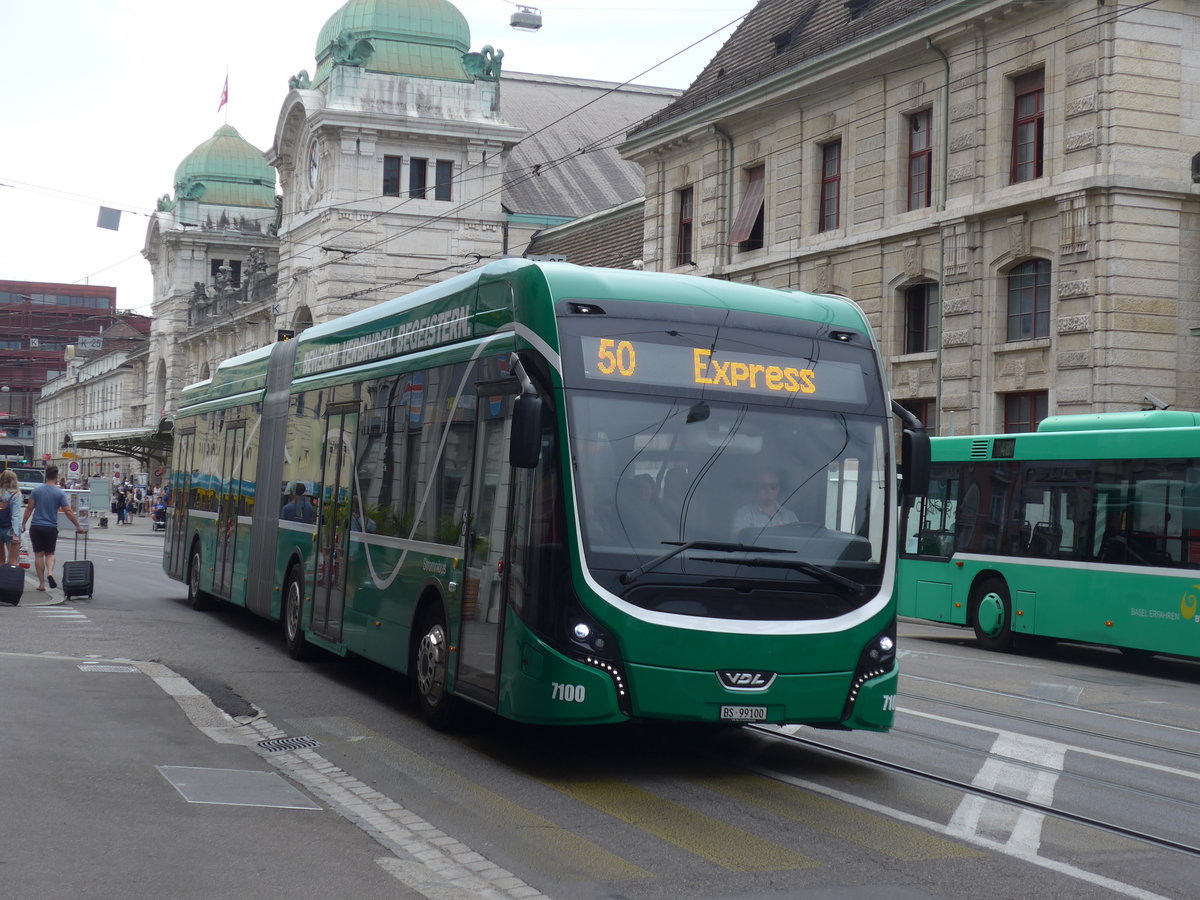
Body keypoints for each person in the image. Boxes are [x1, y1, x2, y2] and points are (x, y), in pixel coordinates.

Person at [21, 465, 85, 592]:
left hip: (37, 526)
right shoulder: (59, 493)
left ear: (46, 475)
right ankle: (50, 572)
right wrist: (77, 525)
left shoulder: (36, 491)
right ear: (56, 477)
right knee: (50, 553)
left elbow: (29, 508)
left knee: (38, 555)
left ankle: (41, 584)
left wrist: (23, 524)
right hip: (51, 527)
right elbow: (67, 510)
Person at [732, 469, 799, 538]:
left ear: (779, 488)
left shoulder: (790, 516)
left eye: (773, 486)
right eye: (764, 486)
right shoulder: (743, 514)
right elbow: (738, 540)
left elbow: (799, 543)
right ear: (756, 487)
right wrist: (776, 532)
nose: (769, 490)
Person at [0, 469, 24, 566]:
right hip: (10, 529)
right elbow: (15, 516)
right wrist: (16, 533)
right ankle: (10, 580)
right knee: (13, 561)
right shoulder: (15, 494)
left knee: (0, 560)